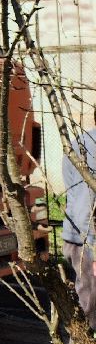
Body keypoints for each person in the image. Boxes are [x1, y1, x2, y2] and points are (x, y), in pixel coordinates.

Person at [60, 129, 96, 319]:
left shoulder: (75, 143)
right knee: (90, 310)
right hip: (87, 239)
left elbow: (71, 190)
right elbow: (85, 199)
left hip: (76, 236)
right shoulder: (87, 145)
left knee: (88, 306)